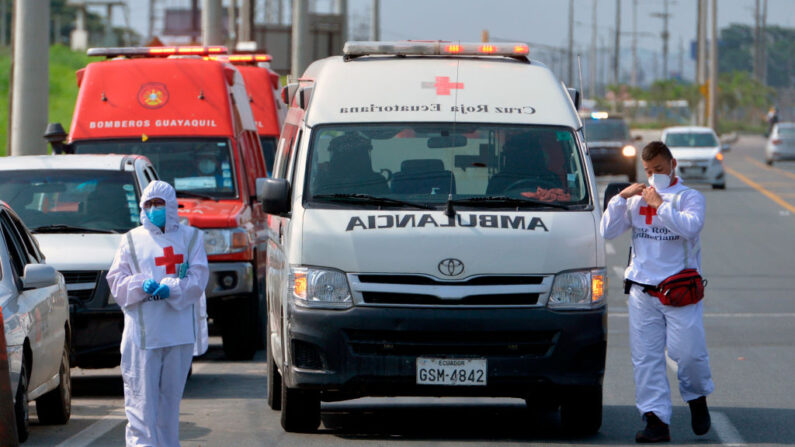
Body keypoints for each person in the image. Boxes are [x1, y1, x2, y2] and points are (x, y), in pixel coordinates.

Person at [600, 141, 714, 443]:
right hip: (642, 291)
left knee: (688, 354)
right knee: (646, 358)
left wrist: (659, 206)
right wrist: (620, 199)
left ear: (672, 164)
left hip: (679, 290)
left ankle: (696, 397)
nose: (654, 177)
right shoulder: (636, 199)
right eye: (649, 171)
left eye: (659, 170)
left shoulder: (689, 197)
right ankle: (655, 420)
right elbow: (607, 232)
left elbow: (691, 228)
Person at [107, 180, 209, 447]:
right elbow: (117, 282)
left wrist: (172, 289)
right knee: (141, 404)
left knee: (168, 405)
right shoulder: (130, 240)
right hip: (143, 335)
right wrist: (140, 285)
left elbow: (198, 279)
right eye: (148, 204)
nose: (154, 209)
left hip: (178, 333)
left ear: (171, 205)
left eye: (159, 204)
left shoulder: (192, 238)